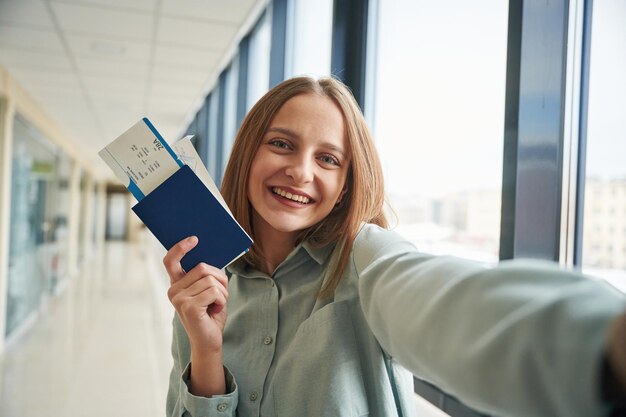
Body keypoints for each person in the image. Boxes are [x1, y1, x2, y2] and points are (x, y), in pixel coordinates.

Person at [164, 76, 626, 417]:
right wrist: (206, 354)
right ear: (248, 155)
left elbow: (440, 299)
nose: (301, 172)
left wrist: (597, 338)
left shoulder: (366, 258)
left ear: (345, 184)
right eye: (282, 144)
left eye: (328, 159)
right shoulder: (205, 283)